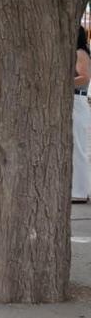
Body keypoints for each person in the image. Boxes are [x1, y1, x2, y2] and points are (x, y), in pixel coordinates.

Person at [73, 27, 90, 203]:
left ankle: (79, 191)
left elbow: (84, 78)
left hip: (77, 101)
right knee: (76, 147)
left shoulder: (80, 53)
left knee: (78, 148)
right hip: (76, 101)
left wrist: (61, 81)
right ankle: (80, 188)